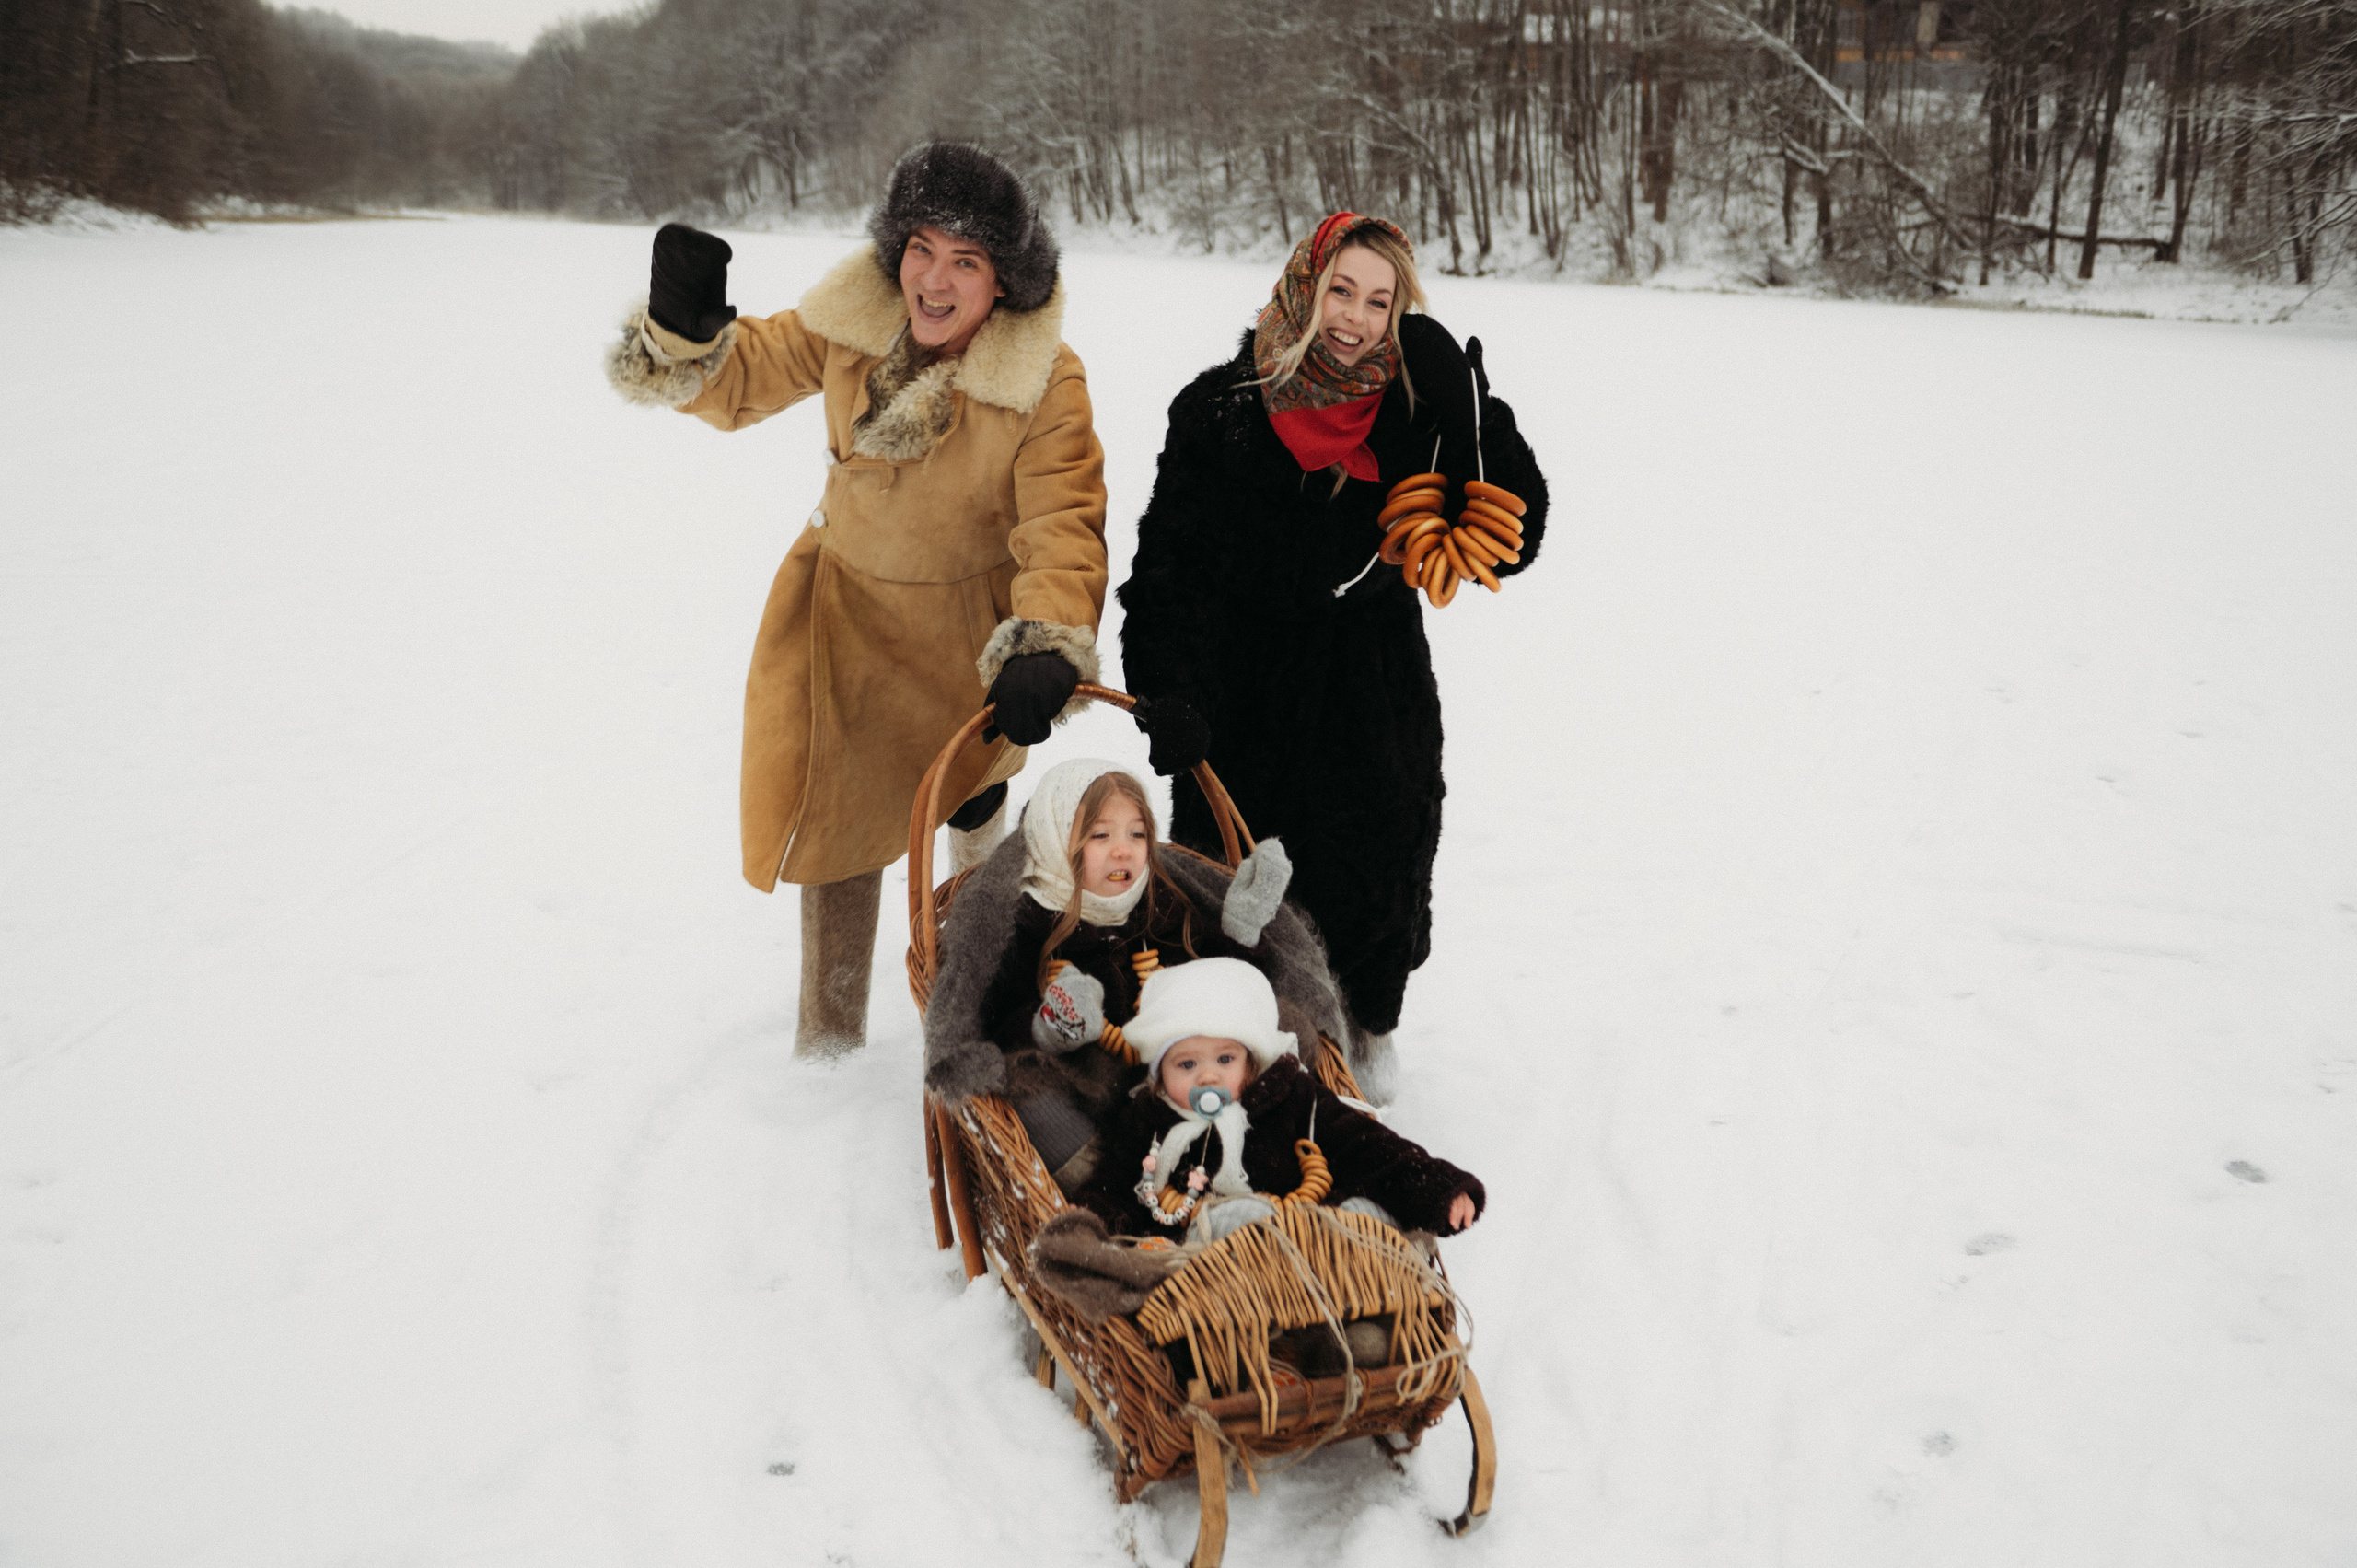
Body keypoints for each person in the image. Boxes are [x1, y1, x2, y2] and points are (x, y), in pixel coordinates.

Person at [603, 142, 1109, 1058]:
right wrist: (685, 329)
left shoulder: (1042, 378)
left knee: (966, 794)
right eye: (922, 248)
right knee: (835, 828)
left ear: (1004, 280)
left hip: (961, 641)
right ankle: (826, 1052)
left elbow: (1064, 516)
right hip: (843, 619)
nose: (936, 278)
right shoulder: (854, 320)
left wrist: (1048, 637)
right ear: (895, 252)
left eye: (967, 260)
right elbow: (749, 370)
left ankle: (978, 961)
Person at [1117, 212, 1550, 1102]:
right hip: (1242, 701)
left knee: (1374, 879)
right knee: (1237, 898)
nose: (1354, 318)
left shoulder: (1420, 409)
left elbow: (1515, 535)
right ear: (1304, 288)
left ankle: (1368, 1039)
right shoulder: (1220, 408)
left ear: (1403, 312)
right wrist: (1169, 689)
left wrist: (1473, 419)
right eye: (1340, 291)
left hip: (1369, 695)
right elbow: (1170, 567)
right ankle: (1242, 1058)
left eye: (1379, 301)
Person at [932, 758, 1294, 1191]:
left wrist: (1241, 930)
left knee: (1288, 1027)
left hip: (1185, 1074)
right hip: (1096, 1095)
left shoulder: (1159, 900)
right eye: (1100, 836)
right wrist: (1049, 1026)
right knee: (1031, 1094)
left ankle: (1259, 1154)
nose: (1124, 850)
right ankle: (1112, 1189)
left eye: (1137, 834)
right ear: (1054, 841)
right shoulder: (1025, 921)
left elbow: (1215, 979)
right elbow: (990, 1017)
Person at [1072, 958, 1484, 1246]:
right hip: (1207, 1271)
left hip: (1313, 1248)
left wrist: (1438, 1188)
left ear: (1252, 1062)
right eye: (1186, 1064)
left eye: (1225, 1059)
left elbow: (1366, 1144)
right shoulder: (1147, 1123)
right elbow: (1112, 1186)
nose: (1208, 1075)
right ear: (1159, 1076)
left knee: (1360, 1212)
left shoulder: (1289, 1098)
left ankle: (1361, 1266)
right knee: (1227, 1225)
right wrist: (1088, 1225)